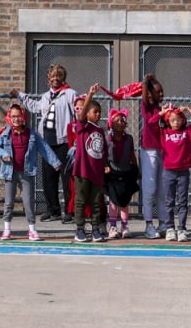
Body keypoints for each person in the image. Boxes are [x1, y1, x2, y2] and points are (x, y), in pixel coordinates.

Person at [0, 101, 59, 241]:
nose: (16, 119)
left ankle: (32, 230)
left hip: (26, 172)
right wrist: (4, 154)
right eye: (13, 116)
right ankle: (7, 229)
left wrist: (55, 162)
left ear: (23, 117)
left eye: (19, 116)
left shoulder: (31, 134)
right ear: (9, 117)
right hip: (10, 172)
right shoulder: (5, 133)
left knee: (28, 201)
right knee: (9, 202)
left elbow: (44, 148)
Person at [23, 64, 78, 221]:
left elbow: (78, 111)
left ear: (63, 78)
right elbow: (35, 107)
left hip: (64, 141)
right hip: (47, 142)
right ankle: (53, 210)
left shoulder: (70, 94)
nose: (55, 79)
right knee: (48, 177)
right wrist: (21, 96)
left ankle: (70, 211)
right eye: (52, 76)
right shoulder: (46, 96)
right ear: (48, 79)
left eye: (58, 76)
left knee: (66, 177)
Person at [68, 97, 110, 242]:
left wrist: (105, 164)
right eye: (95, 111)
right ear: (87, 113)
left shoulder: (100, 130)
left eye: (100, 112)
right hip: (82, 170)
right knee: (80, 200)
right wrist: (90, 95)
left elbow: (103, 150)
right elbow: (81, 114)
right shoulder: (82, 126)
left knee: (96, 201)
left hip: (96, 172)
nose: (98, 114)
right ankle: (80, 229)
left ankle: (95, 229)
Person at [137, 75, 167, 239]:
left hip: (163, 150)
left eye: (162, 91)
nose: (161, 94)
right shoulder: (147, 107)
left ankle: (163, 222)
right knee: (150, 188)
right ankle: (149, 224)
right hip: (149, 150)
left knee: (163, 189)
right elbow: (150, 123)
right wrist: (145, 84)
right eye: (158, 91)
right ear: (150, 94)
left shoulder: (161, 108)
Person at [159, 104, 191, 240]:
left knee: (182, 201)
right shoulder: (164, 133)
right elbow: (151, 124)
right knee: (169, 201)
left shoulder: (188, 132)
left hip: (183, 172)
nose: (176, 122)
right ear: (168, 121)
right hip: (168, 172)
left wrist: (188, 109)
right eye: (173, 120)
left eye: (179, 119)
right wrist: (161, 113)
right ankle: (169, 228)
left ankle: (182, 229)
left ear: (183, 120)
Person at [105, 108, 140, 240]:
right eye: (116, 121)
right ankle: (113, 226)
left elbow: (131, 154)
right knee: (113, 201)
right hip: (113, 172)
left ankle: (125, 226)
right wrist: (105, 166)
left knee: (125, 201)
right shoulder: (108, 138)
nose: (120, 123)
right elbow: (104, 155)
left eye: (122, 120)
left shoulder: (129, 139)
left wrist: (136, 169)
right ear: (110, 123)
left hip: (126, 172)